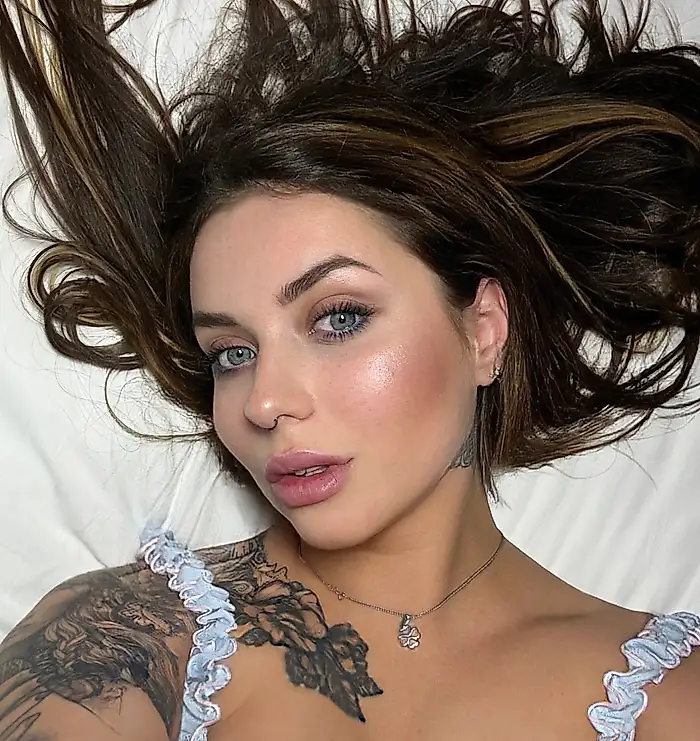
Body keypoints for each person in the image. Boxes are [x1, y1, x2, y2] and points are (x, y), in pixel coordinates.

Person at [1, 0, 700, 738]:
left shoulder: (668, 695)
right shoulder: (126, 638)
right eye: (232, 353)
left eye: (338, 318)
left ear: (483, 329)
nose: (264, 401)